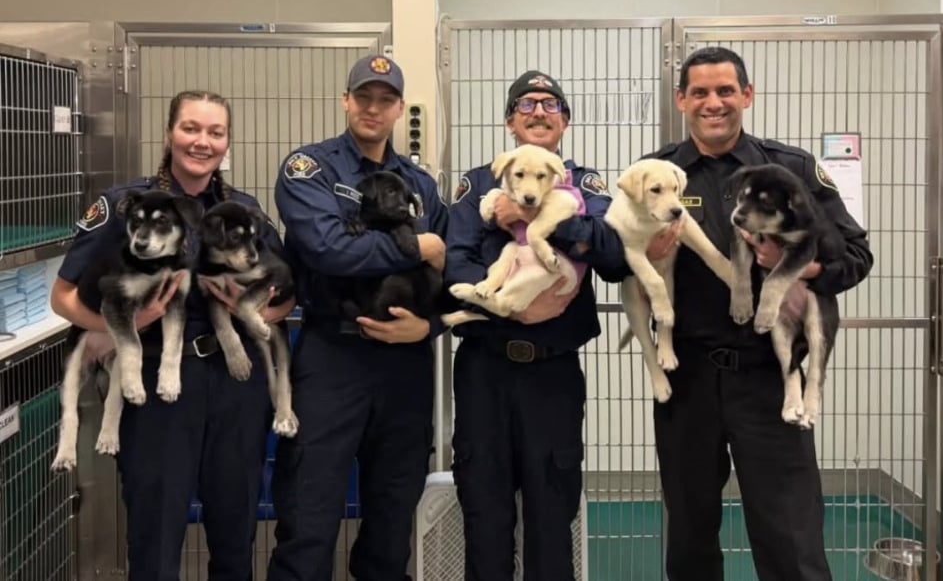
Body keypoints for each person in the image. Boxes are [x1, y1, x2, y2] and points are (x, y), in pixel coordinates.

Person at [644, 46, 873, 581]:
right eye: (700, 92)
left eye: (726, 90)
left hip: (769, 379)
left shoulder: (791, 169)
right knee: (689, 536)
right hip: (689, 380)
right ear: (681, 100)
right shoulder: (661, 173)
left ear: (747, 95)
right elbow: (618, 260)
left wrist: (802, 269)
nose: (714, 102)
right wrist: (643, 256)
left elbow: (856, 255)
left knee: (791, 538)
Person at [50, 89, 296, 581]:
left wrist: (251, 310)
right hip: (158, 383)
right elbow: (63, 297)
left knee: (236, 528)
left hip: (235, 384)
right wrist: (126, 325)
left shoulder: (243, 210)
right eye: (190, 128)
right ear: (169, 134)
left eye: (215, 132)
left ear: (227, 142)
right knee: (156, 532)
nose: (202, 141)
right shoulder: (127, 205)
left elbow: (287, 295)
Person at [268, 54, 448, 581]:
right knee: (309, 512)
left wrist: (431, 327)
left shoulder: (421, 184)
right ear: (346, 100)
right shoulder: (311, 170)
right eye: (363, 97)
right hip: (333, 356)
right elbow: (328, 250)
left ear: (399, 108)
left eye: (385, 100)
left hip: (406, 364)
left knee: (393, 517)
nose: (373, 108)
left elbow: (454, 265)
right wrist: (417, 247)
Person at [445, 70, 628, 581]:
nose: (539, 112)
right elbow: (455, 266)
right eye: (526, 104)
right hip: (485, 371)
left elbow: (615, 253)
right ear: (510, 122)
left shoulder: (583, 184)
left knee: (552, 516)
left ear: (565, 122)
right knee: (484, 513)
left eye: (551, 104)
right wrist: (509, 307)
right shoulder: (479, 184)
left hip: (553, 373)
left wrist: (539, 217)